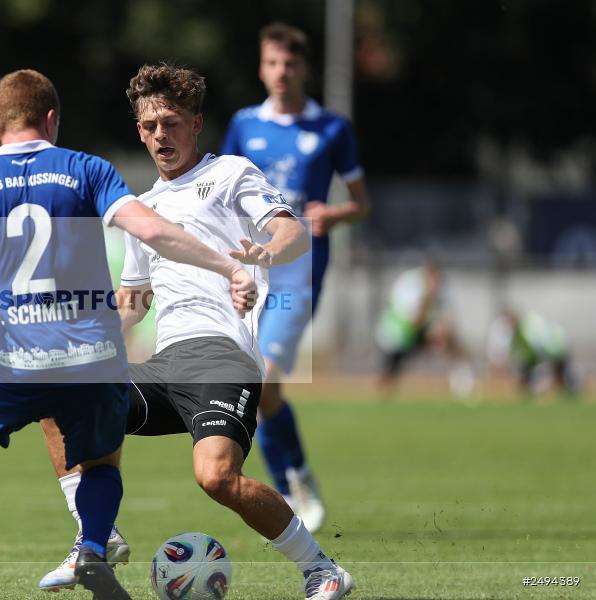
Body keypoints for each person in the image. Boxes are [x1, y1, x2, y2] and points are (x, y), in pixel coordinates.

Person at [0, 69, 258, 600]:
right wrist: (229, 267)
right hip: (89, 351)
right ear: (52, 119)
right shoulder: (87, 169)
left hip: (13, 352)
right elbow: (152, 230)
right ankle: (94, 549)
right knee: (100, 456)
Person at [39, 63, 355, 600]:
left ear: (196, 124)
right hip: (166, 364)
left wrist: (264, 254)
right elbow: (136, 300)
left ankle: (322, 570)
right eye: (150, 126)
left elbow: (292, 231)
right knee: (57, 388)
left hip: (223, 358)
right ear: (139, 132)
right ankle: (95, 535)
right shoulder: (143, 209)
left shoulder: (231, 173)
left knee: (216, 478)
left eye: (172, 123)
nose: (161, 135)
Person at [220, 22, 371, 532]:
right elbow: (222, 192)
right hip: (249, 272)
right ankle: (293, 481)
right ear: (261, 69)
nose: (280, 72)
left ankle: (290, 482)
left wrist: (336, 214)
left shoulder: (332, 129)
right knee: (261, 390)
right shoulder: (244, 125)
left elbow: (361, 204)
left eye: (289, 63)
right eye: (271, 63)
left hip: (298, 276)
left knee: (261, 377)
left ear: (304, 67)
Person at [375, 261, 474, 397]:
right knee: (389, 377)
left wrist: (441, 331)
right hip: (395, 337)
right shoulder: (410, 285)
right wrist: (428, 306)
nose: (437, 286)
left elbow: (448, 319)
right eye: (434, 282)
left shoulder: (441, 289)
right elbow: (414, 322)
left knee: (450, 342)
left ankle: (462, 382)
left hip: (417, 333)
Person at [487, 308, 579, 397]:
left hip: (557, 348)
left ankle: (571, 389)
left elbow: (541, 347)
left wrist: (543, 371)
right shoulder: (515, 334)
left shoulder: (528, 328)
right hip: (537, 356)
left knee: (564, 378)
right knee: (526, 377)